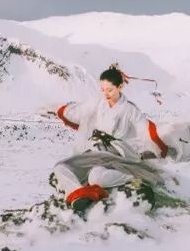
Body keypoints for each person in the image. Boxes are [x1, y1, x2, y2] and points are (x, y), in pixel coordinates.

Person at [48, 61, 174, 221]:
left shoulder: (130, 110)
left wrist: (160, 144)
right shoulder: (99, 103)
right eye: (102, 89)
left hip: (116, 156)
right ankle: (79, 194)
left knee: (96, 177)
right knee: (61, 167)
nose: (105, 93)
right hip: (93, 153)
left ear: (120, 87)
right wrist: (58, 109)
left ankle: (134, 180)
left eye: (110, 90)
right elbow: (79, 112)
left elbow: (146, 129)